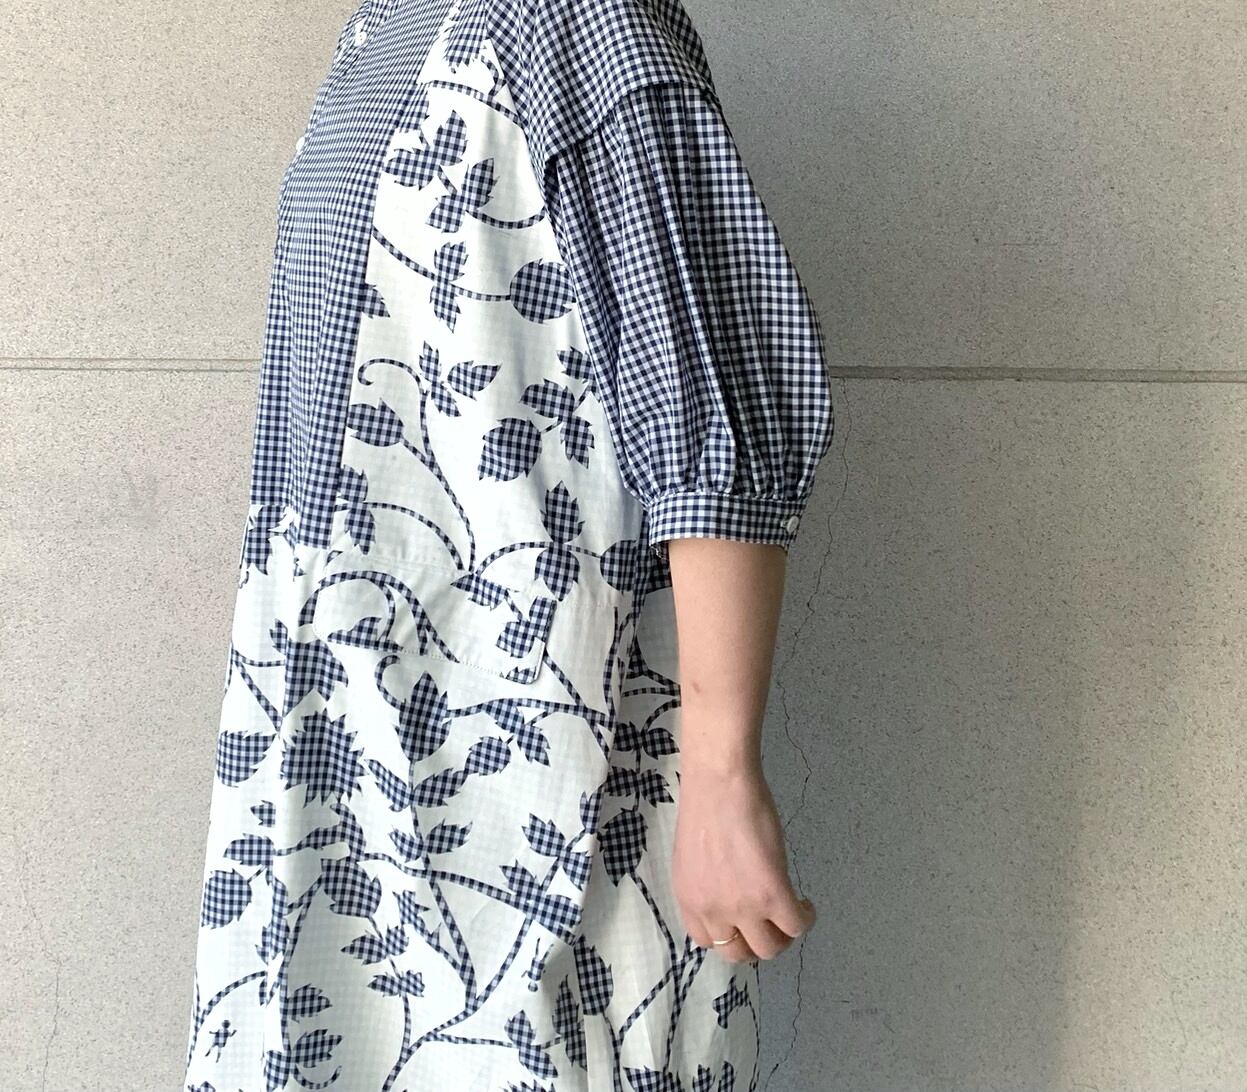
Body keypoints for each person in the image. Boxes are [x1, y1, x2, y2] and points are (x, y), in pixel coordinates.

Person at [182, 0, 834, 1087]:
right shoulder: (389, 23)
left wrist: (722, 772)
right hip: (352, 747)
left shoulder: (575, 19)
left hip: (535, 779)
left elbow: (704, 404)